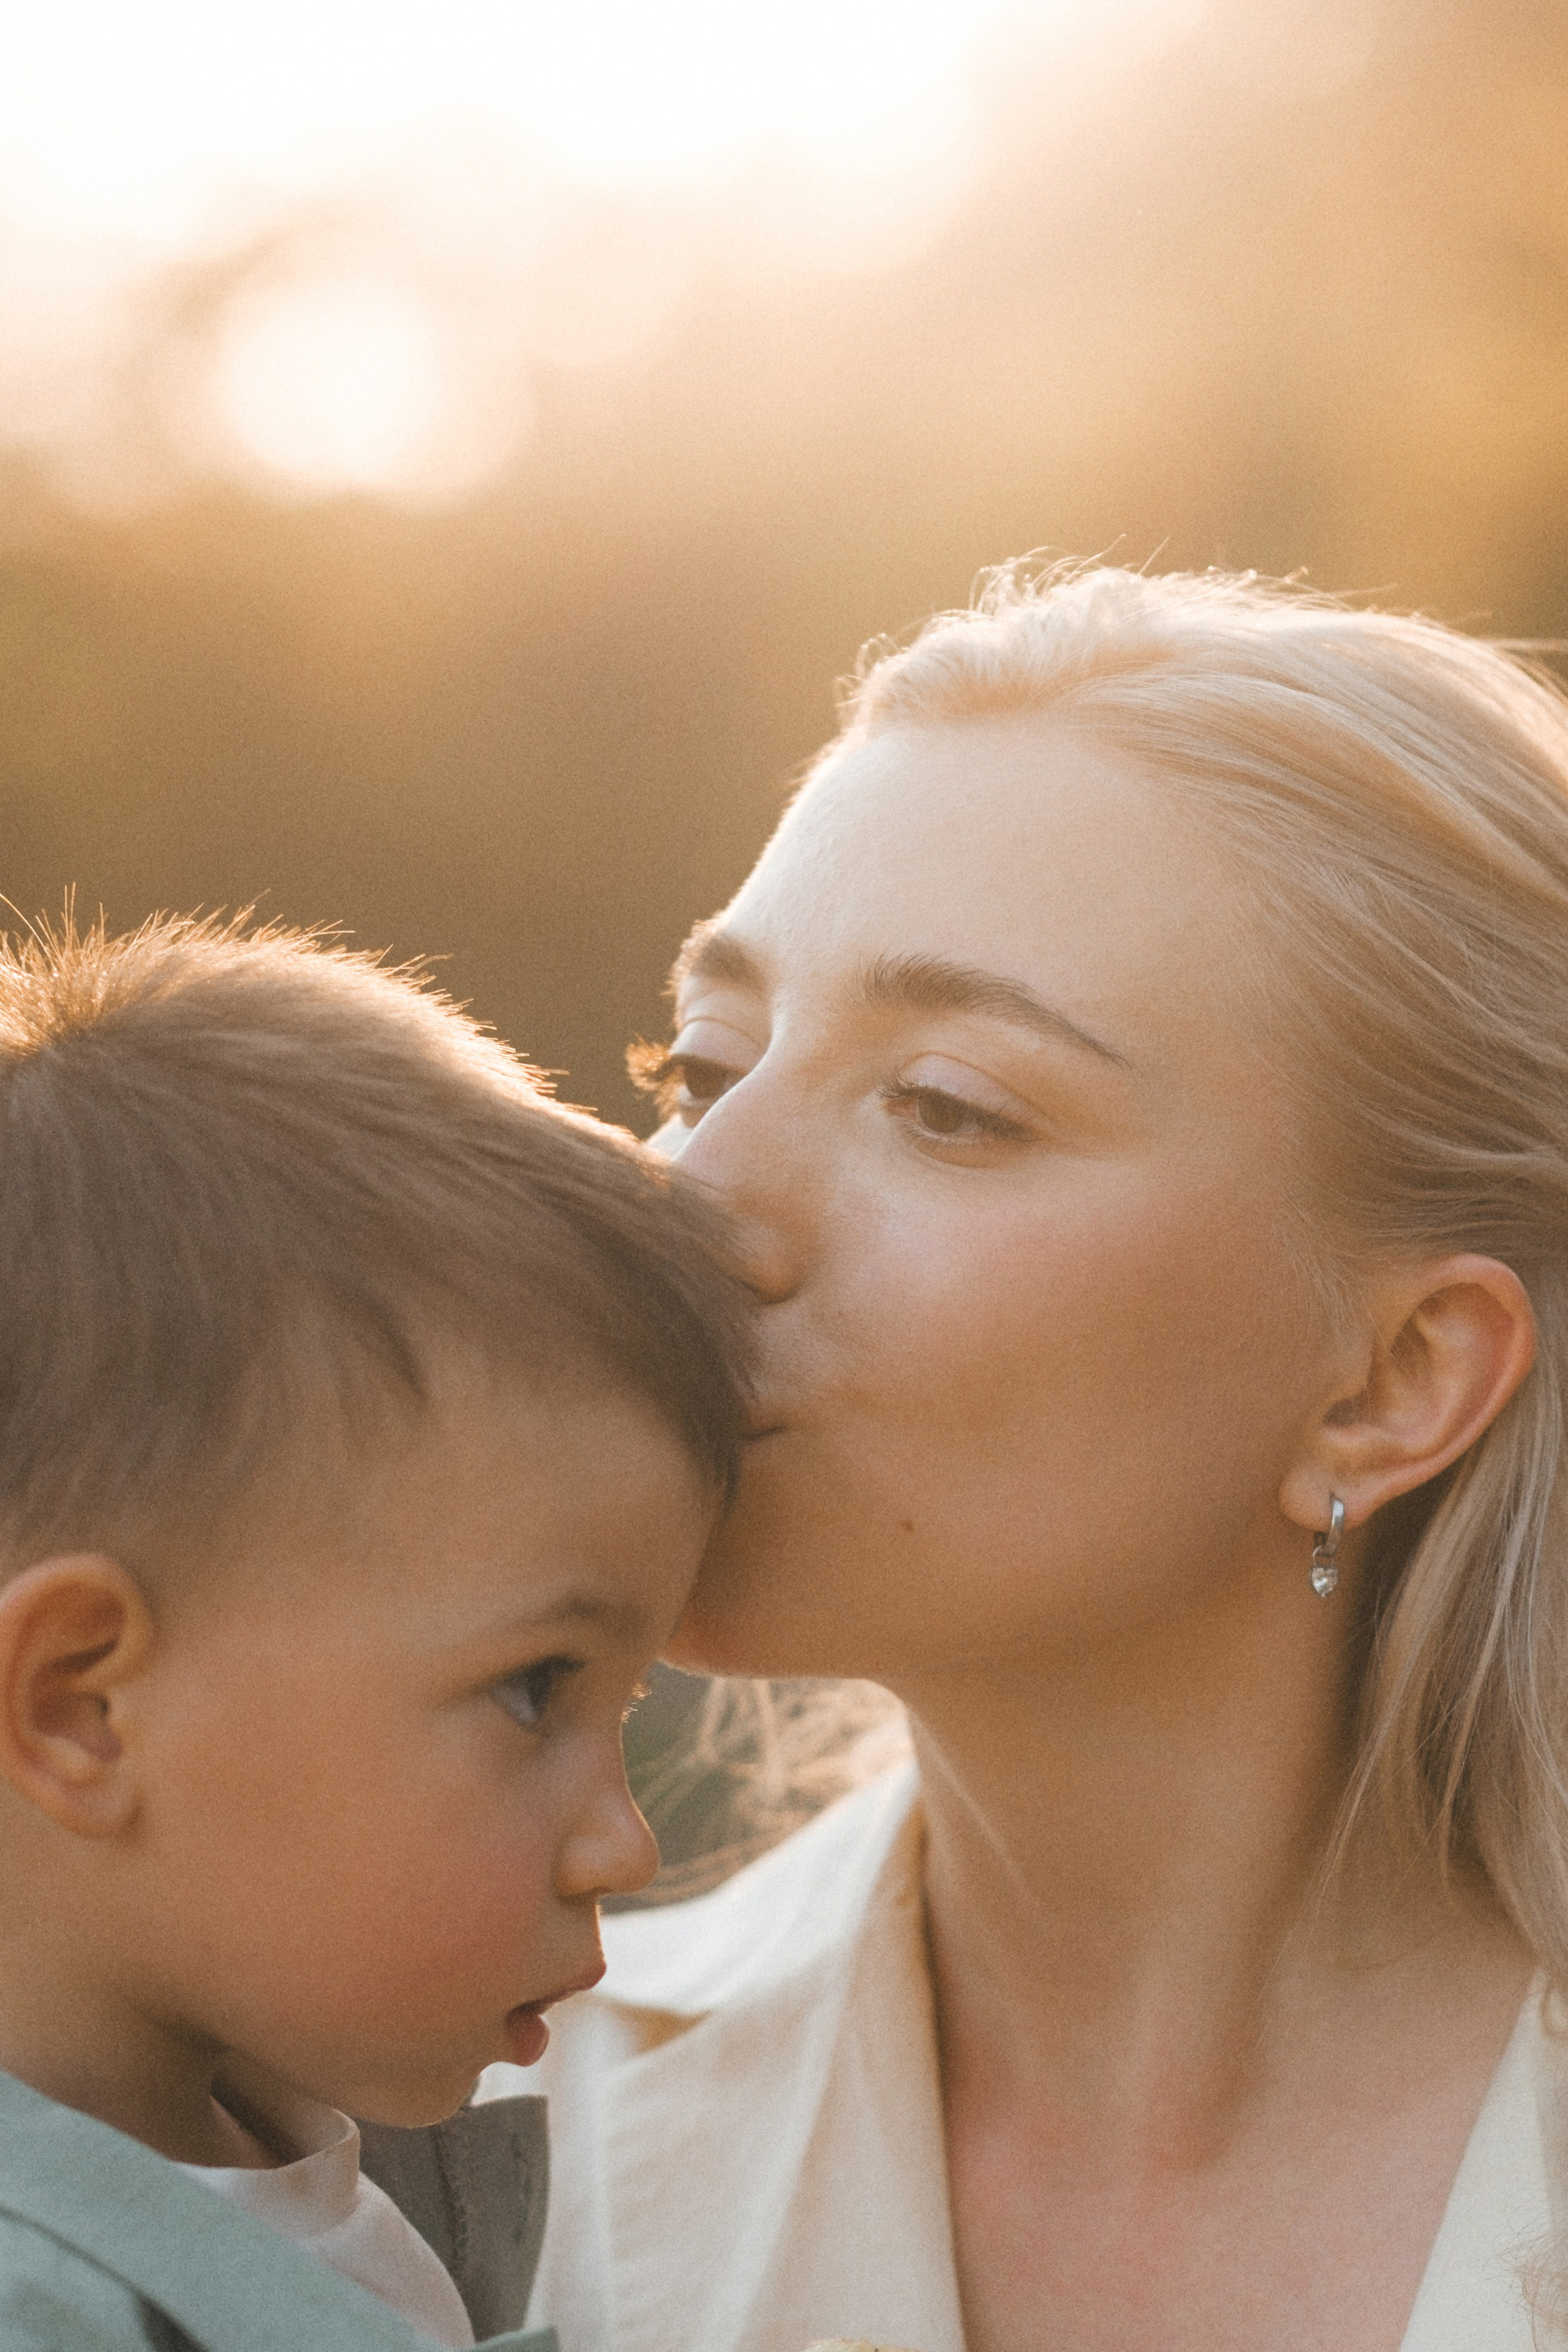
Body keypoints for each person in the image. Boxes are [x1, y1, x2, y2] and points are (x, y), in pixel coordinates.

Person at [522, 562, 1568, 2352]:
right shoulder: (477, 2164)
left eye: (948, 1107)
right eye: (703, 1067)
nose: (686, 1208)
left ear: (1392, 1381)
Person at [0, 913, 753, 2352]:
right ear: (81, 1707)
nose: (623, 1846)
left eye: (627, 1701)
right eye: (537, 1691)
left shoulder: (304, 2161)